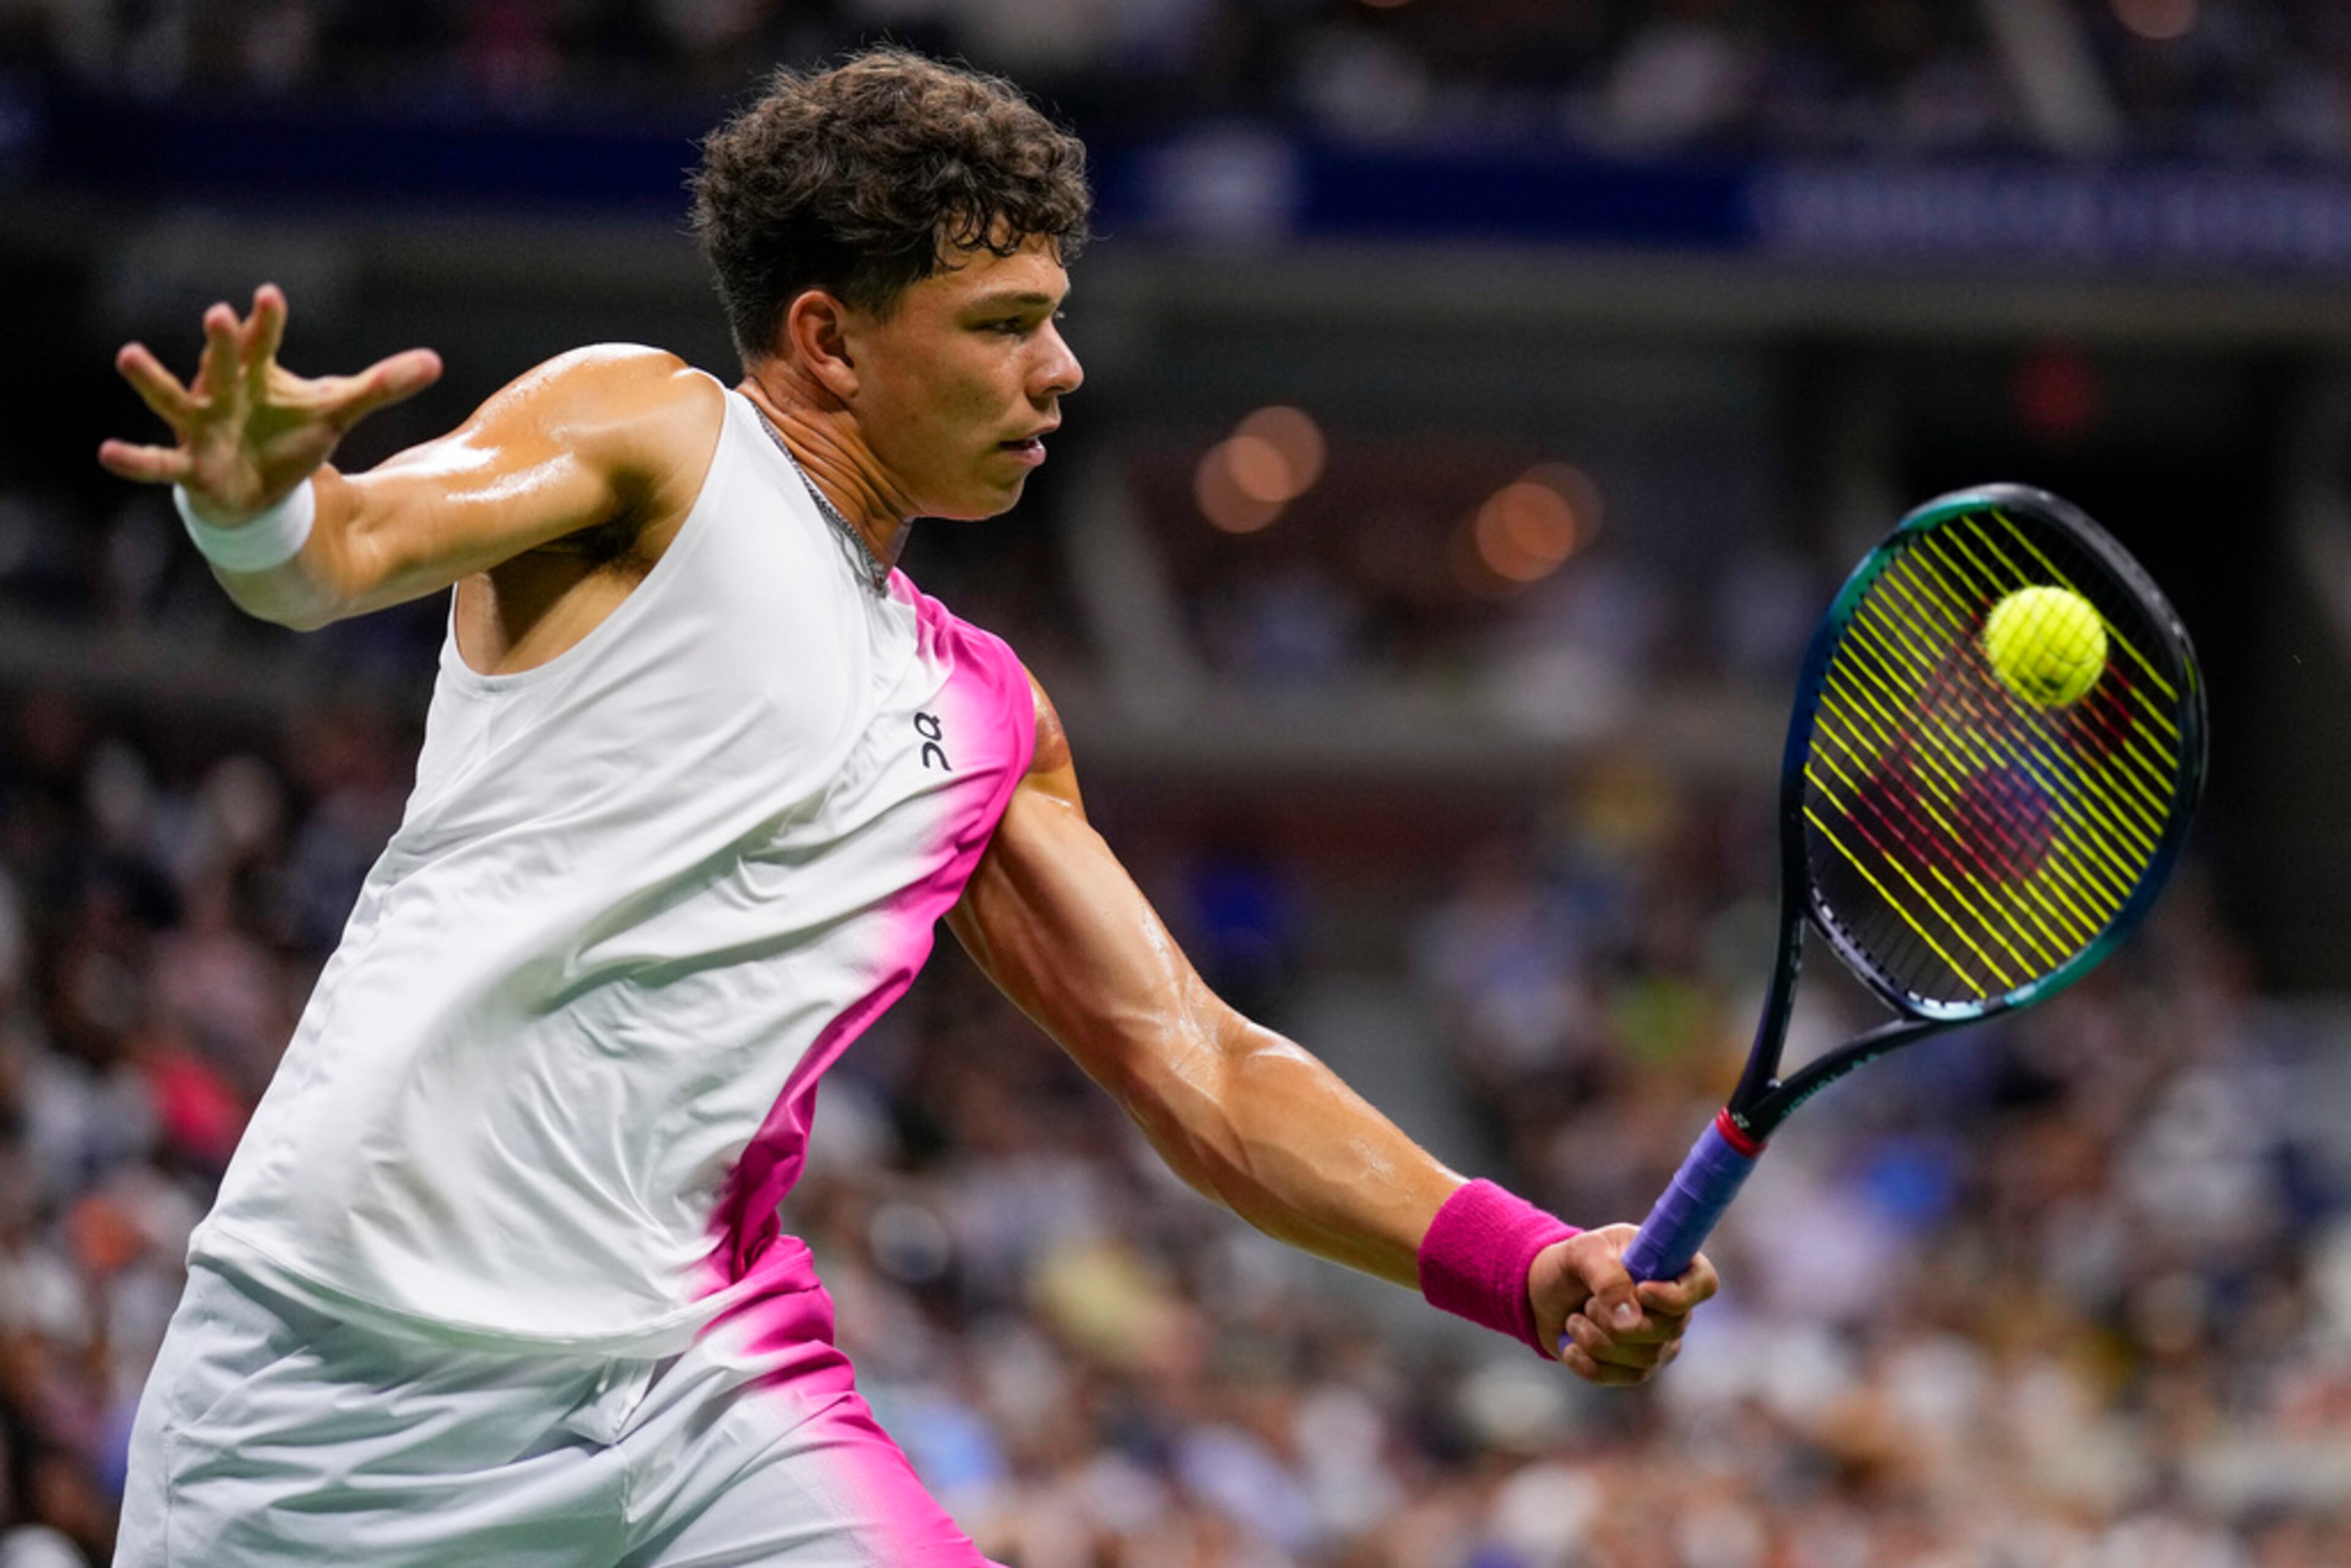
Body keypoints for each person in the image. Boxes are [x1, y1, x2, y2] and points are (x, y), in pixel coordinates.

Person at [95, 47, 1717, 1567]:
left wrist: (1523, 1259)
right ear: (829, 340)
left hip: (699, 1392)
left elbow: (1206, 1070)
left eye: (1055, 319)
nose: (1061, 369)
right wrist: (258, 504)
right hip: (331, 1389)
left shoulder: (989, 715)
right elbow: (344, 552)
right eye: (1006, 322)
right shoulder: (657, 438)